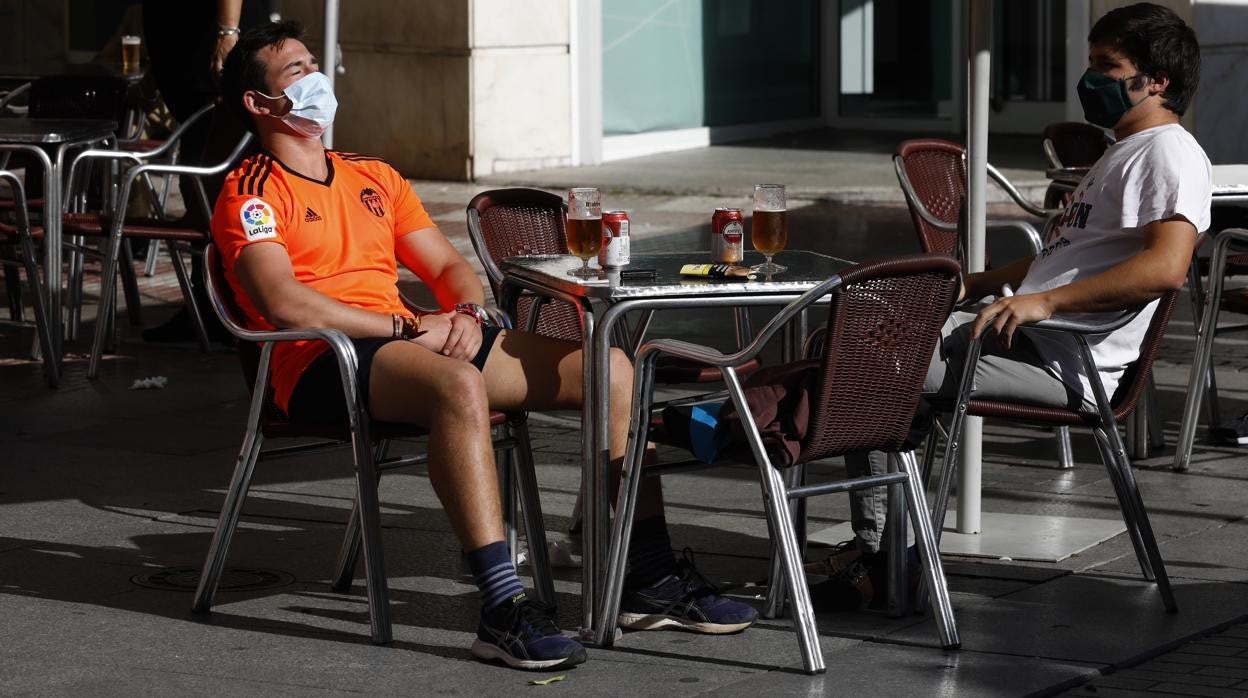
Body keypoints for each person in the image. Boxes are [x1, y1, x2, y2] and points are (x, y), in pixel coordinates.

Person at [213, 21, 757, 670]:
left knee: (611, 369)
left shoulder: (374, 176)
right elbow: (283, 301)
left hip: (411, 340)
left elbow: (448, 269)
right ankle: (502, 608)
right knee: (458, 385)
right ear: (259, 103)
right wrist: (408, 327)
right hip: (321, 359)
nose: (317, 82)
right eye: (296, 73)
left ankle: (648, 576)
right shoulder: (249, 190)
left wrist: (467, 311)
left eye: (314, 65)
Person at [811, 2, 1211, 608]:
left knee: (872, 370)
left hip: (1067, 362)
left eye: (1107, 65)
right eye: (1091, 63)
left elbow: (1164, 267)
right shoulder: (1120, 149)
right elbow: (1071, 253)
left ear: (1156, 80)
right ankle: (892, 547)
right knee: (855, 333)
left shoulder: (1167, 154)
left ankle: (887, 559)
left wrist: (1043, 303)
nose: (1090, 79)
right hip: (1023, 336)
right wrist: (980, 282)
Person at [141, 0, 273, 342]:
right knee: (200, 189)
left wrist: (228, 31)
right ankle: (209, 302)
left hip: (215, 61)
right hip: (191, 66)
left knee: (218, 187)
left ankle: (229, 307)